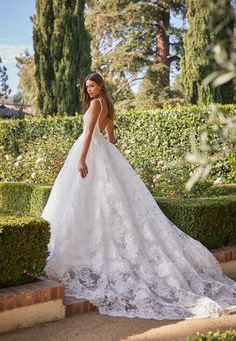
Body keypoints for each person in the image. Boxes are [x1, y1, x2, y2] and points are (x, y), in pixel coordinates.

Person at [41, 72, 236, 320]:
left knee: (82, 203)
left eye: (92, 86)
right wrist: (109, 157)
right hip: (103, 153)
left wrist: (81, 159)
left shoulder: (94, 104)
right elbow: (110, 136)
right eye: (87, 87)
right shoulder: (108, 105)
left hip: (88, 152)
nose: (88, 90)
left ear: (100, 86)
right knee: (104, 204)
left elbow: (89, 133)